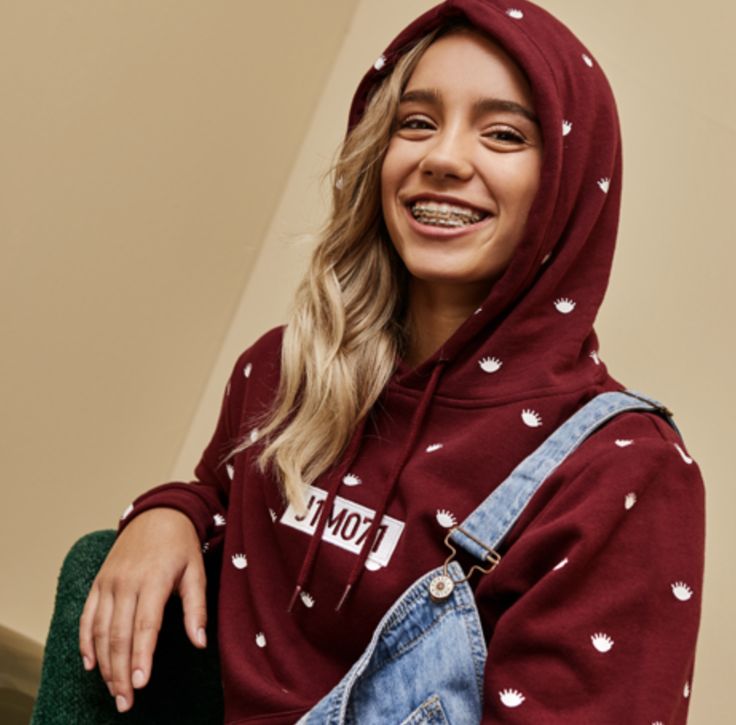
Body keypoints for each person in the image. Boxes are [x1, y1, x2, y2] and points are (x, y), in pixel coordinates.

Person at [78, 0, 705, 722]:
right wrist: (170, 510)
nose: (442, 157)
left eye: (503, 134)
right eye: (416, 122)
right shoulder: (280, 375)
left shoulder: (625, 470)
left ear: (568, 181)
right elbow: (219, 507)